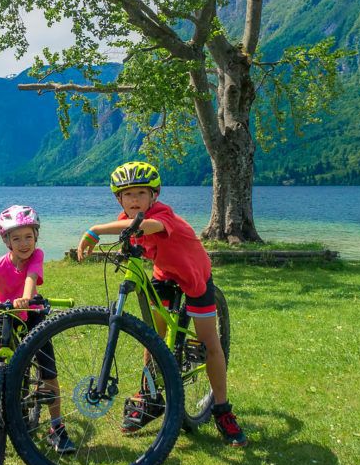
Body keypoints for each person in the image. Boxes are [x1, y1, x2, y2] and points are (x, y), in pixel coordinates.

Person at [76, 161, 247, 446]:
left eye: (141, 193)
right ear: (119, 198)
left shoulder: (160, 214)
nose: (134, 200)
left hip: (195, 276)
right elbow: (133, 239)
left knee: (209, 342)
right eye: (127, 194)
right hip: (164, 274)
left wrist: (95, 230)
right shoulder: (125, 219)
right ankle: (150, 396)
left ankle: (221, 408)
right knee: (152, 337)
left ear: (153, 196)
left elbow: (151, 227)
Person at [0, 204, 77, 454]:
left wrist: (26, 299)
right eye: (16, 238)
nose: (24, 243)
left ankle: (56, 427)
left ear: (36, 237)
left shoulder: (37, 255)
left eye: (29, 236)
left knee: (48, 369)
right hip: (5, 316)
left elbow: (31, 277)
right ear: (6, 240)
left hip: (33, 314)